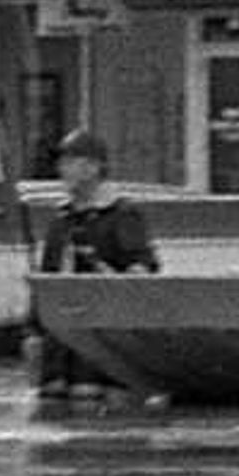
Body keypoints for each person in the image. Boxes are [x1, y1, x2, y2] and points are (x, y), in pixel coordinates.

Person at [31, 128, 159, 397]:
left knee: (88, 396)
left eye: (70, 162)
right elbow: (47, 279)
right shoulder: (61, 219)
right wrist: (32, 332)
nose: (62, 170)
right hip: (60, 341)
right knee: (55, 400)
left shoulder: (122, 215)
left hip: (103, 340)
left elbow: (142, 269)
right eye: (62, 163)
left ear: (93, 167)